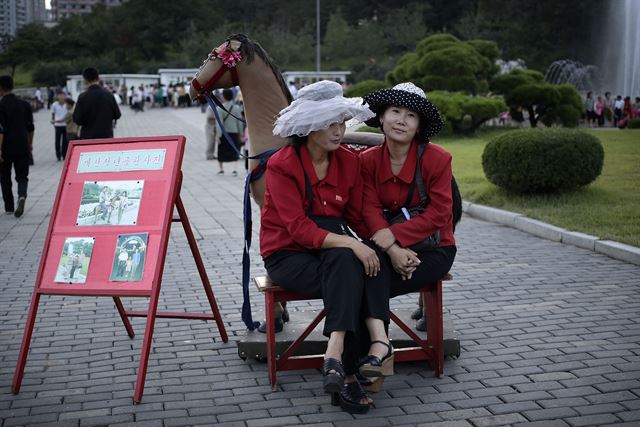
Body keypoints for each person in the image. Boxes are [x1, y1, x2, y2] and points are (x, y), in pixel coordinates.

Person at [261, 80, 391, 414]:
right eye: (330, 123)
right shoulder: (281, 164)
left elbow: (358, 217)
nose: (339, 130)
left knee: (358, 261)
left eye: (341, 121)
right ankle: (354, 370)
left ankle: (335, 356)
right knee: (350, 262)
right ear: (308, 127)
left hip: (330, 254)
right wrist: (352, 243)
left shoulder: (349, 161)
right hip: (287, 255)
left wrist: (387, 242)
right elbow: (298, 229)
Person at [360, 81, 457, 332]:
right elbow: (369, 208)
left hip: (433, 248)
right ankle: (377, 347)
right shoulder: (367, 160)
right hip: (386, 246)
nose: (402, 120)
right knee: (362, 272)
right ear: (381, 116)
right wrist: (394, 249)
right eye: (395, 111)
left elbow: (441, 213)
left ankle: (374, 348)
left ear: (419, 127)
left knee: (368, 281)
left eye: (411, 115)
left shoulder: (438, 159)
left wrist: (393, 235)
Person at [0, 75, 34, 218]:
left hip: (5, 147)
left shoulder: (0, 106)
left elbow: (0, 130)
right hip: (22, 145)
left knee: (4, 176)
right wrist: (30, 144)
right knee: (22, 176)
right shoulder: (24, 105)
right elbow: (31, 127)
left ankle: (9, 206)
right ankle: (22, 195)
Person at [73, 67, 122, 139]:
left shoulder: (82, 97)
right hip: (106, 137)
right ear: (98, 78)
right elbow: (117, 115)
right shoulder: (109, 95)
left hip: (88, 138)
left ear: (85, 80)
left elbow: (77, 119)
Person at [215, 89, 244, 176]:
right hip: (234, 132)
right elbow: (239, 122)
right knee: (234, 150)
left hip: (224, 133)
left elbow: (219, 123)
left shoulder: (219, 108)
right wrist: (241, 134)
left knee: (221, 151)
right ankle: (234, 170)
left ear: (223, 96)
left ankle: (221, 170)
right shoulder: (237, 108)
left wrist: (218, 135)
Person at [51, 91, 68, 160]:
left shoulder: (67, 104)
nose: (61, 97)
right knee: (57, 141)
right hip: (58, 125)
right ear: (57, 97)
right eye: (60, 95)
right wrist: (53, 122)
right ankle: (58, 155)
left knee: (65, 141)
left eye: (62, 95)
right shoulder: (54, 104)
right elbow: (53, 114)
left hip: (65, 125)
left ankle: (64, 155)